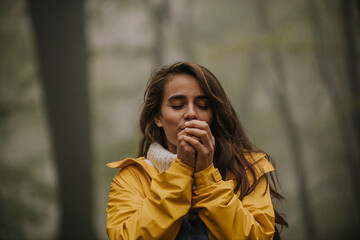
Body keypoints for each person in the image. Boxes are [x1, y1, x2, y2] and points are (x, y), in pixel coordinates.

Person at [106, 61, 287, 240]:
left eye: (202, 105)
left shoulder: (248, 169)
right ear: (157, 117)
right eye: (177, 105)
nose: (191, 113)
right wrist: (181, 170)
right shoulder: (132, 178)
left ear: (213, 115)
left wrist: (206, 175)